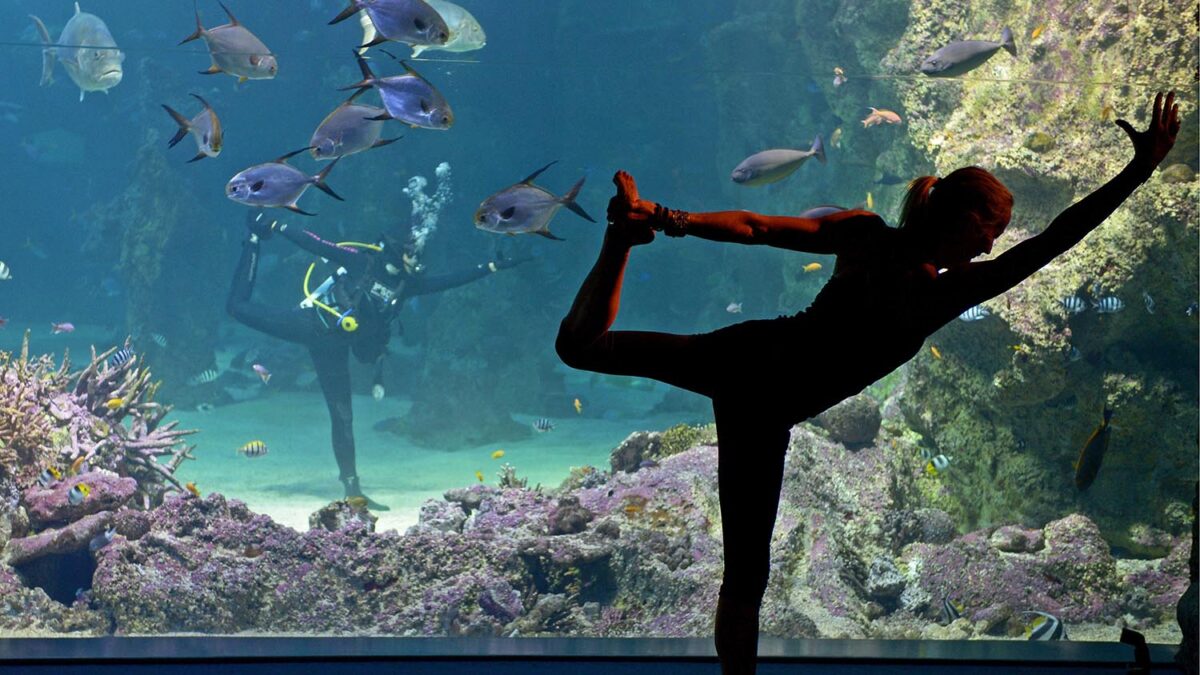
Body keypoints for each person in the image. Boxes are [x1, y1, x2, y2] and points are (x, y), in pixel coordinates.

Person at [556, 92, 1180, 674]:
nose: (995, 244)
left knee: (582, 348)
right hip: (759, 392)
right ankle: (624, 232)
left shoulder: (868, 237)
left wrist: (668, 217)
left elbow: (757, 228)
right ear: (963, 220)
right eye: (991, 228)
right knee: (745, 582)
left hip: (747, 368)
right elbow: (1055, 240)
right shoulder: (938, 292)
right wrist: (1136, 172)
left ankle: (623, 234)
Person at [228, 214, 525, 510]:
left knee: (343, 417)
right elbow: (317, 244)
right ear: (396, 249)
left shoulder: (408, 284)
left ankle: (352, 490)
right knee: (237, 308)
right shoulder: (362, 262)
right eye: (411, 252)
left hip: (335, 348)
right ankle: (251, 240)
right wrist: (277, 227)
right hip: (310, 324)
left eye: (419, 254)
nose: (416, 259)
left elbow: (446, 282)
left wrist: (491, 267)